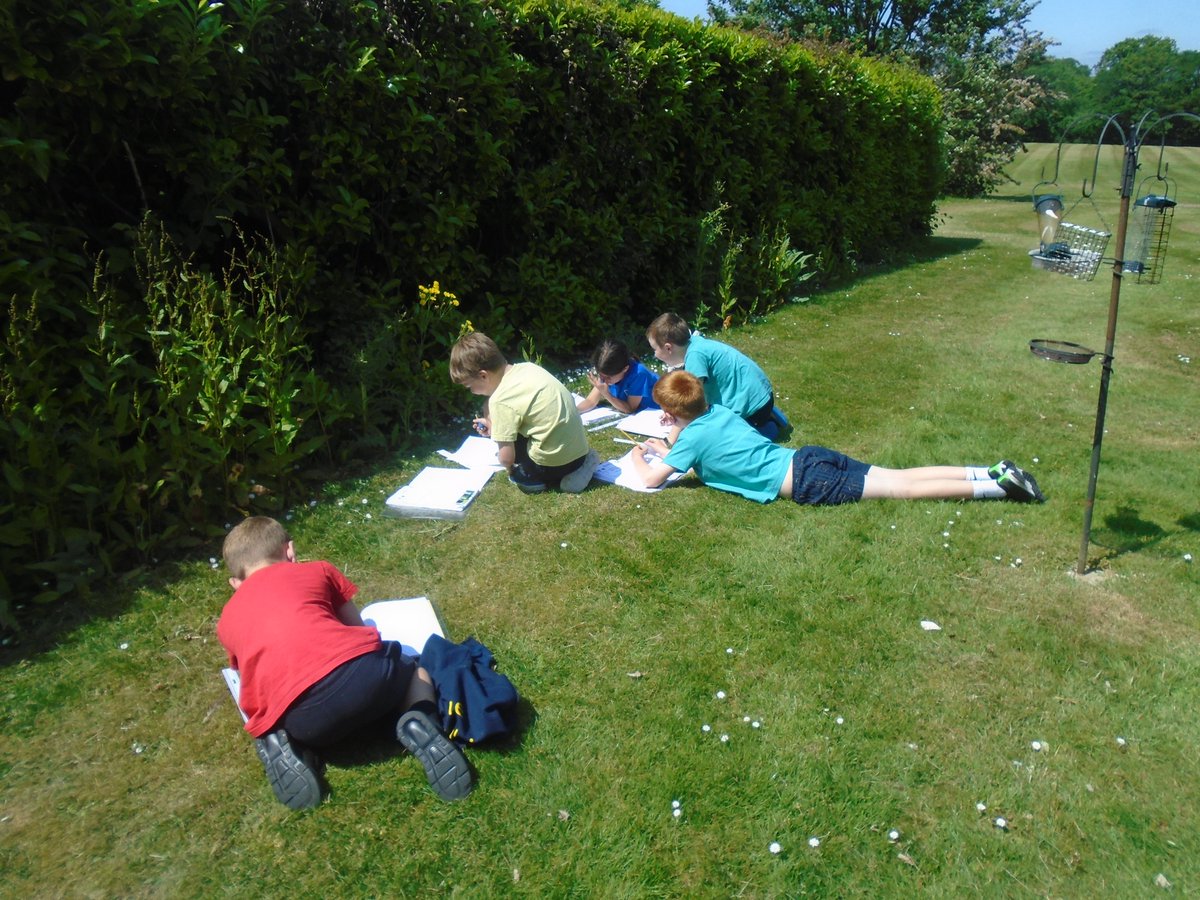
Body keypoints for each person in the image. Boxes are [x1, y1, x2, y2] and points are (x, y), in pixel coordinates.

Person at [216, 516, 474, 810]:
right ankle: (420, 719)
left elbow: (244, 675)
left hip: (305, 721)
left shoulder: (225, 622)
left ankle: (293, 747)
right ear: (290, 551)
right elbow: (361, 628)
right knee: (415, 670)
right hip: (367, 681)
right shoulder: (318, 570)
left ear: (235, 583)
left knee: (288, 711)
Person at [630, 371, 1045, 506]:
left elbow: (651, 481)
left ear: (673, 414)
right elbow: (702, 445)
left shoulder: (690, 440)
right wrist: (667, 445)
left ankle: (999, 489)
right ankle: (989, 470)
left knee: (899, 490)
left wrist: (637, 456)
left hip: (808, 483)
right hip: (807, 457)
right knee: (899, 474)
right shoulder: (718, 412)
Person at [450, 331, 600, 494]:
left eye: (470, 386)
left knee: (522, 478)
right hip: (578, 450)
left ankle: (549, 478)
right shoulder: (528, 368)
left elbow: (507, 458)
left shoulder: (500, 399)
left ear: (483, 376)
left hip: (550, 463)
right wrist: (494, 426)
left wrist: (510, 470)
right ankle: (581, 465)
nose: (472, 392)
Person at [645, 312, 789, 440]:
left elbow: (690, 402)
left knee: (721, 442)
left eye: (654, 349)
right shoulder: (694, 343)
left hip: (754, 408)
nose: (654, 355)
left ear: (668, 347)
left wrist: (672, 437)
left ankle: (766, 428)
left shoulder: (695, 357)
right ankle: (767, 416)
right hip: (759, 396)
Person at [575, 339, 660, 415]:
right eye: (601, 375)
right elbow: (590, 401)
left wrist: (607, 394)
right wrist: (573, 412)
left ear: (625, 369)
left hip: (658, 410)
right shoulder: (607, 372)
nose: (604, 380)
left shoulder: (638, 373)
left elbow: (630, 408)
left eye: (608, 377)